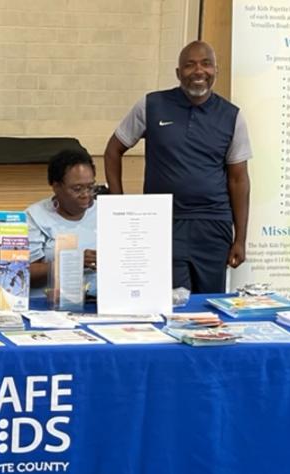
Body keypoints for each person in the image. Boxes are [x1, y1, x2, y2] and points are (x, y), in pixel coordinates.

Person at [103, 40, 251, 293]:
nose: (198, 71)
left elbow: (239, 180)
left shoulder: (232, 116)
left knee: (208, 305)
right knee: (171, 301)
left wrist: (240, 239)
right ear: (178, 72)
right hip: (163, 222)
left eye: (206, 64)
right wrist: (118, 202)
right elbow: (113, 150)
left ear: (216, 70)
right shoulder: (151, 105)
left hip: (213, 225)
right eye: (189, 65)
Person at [26, 148, 98, 297]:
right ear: (56, 186)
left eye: (91, 187)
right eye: (77, 189)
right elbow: (25, 274)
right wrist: (73, 262)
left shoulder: (106, 212)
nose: (85, 195)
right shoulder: (35, 217)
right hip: (47, 304)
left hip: (98, 301)